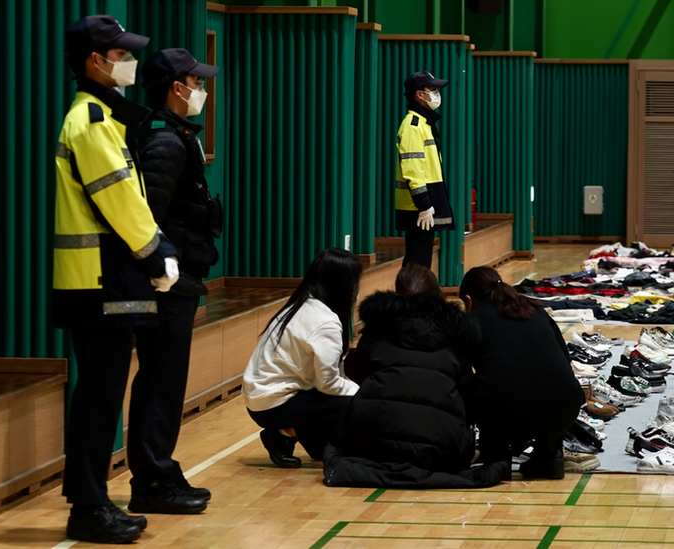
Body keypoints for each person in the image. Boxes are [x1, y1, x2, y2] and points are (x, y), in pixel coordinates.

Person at [55, 15, 179, 544]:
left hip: (108, 276)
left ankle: (94, 500)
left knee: (103, 395)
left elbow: (132, 200)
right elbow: (119, 201)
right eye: (119, 52)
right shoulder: (89, 121)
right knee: (98, 397)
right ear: (94, 60)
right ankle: (87, 505)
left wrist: (156, 253)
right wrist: (157, 256)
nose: (126, 60)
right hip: (98, 278)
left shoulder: (102, 117)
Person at [122, 48, 222, 515]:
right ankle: (152, 479)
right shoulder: (165, 140)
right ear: (175, 88)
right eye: (194, 81)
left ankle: (159, 471)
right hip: (168, 280)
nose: (200, 89)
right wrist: (163, 268)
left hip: (179, 275)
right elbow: (150, 217)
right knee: (160, 382)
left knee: (165, 381)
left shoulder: (176, 134)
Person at [336, 265, 476, 470]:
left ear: (397, 292)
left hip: (372, 446)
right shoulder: (456, 333)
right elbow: (467, 392)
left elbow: (354, 368)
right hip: (439, 450)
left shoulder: (378, 327)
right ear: (438, 294)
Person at [458, 267, 584, 479]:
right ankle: (550, 456)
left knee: (473, 385)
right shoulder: (535, 309)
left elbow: (458, 370)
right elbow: (565, 360)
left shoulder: (472, 322)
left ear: (469, 300)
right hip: (565, 411)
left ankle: (497, 455)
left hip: (504, 415)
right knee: (550, 384)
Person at [243, 248, 363, 468]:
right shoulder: (325, 321)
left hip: (262, 399)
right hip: (274, 404)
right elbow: (328, 385)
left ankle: (303, 439)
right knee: (355, 403)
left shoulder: (301, 304)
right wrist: (360, 391)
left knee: (323, 447)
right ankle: (283, 433)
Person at [395, 71, 455, 268]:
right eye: (433, 90)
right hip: (418, 206)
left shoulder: (423, 124)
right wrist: (424, 205)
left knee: (421, 259)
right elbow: (412, 170)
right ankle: (411, 297)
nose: (437, 94)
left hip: (423, 204)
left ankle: (414, 296)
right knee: (417, 261)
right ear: (419, 94)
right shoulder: (413, 126)